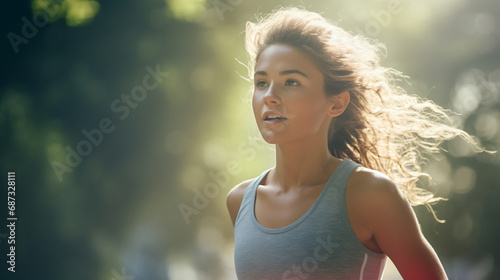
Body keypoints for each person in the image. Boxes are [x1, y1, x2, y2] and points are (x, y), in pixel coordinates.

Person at [226, 7, 482, 280]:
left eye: (291, 82)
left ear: (336, 103)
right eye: (261, 82)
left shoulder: (370, 195)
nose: (270, 96)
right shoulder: (239, 201)